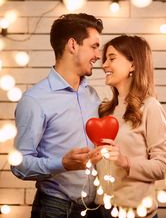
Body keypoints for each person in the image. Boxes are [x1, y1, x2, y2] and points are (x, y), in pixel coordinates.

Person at [11, 13, 104, 218]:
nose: (98, 55)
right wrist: (62, 164)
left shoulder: (92, 95)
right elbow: (19, 165)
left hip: (95, 210)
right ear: (73, 45)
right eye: (94, 46)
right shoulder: (35, 100)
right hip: (55, 209)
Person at [96, 35, 166, 218]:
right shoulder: (106, 110)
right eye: (105, 59)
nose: (104, 64)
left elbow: (162, 166)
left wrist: (125, 162)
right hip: (101, 210)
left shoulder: (150, 107)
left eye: (111, 58)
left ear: (133, 65)